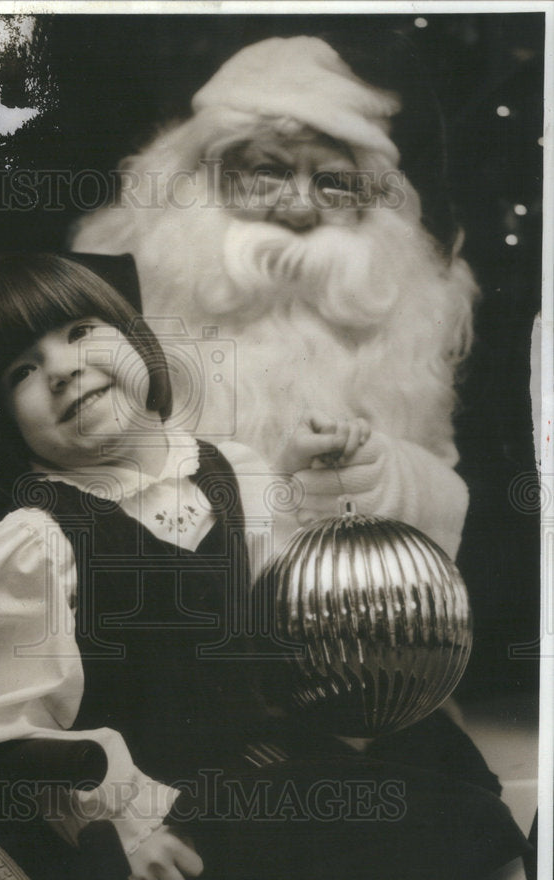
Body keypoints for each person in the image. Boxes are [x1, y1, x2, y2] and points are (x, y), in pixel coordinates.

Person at [0, 250, 534, 880]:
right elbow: (11, 728)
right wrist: (130, 823)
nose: (61, 369)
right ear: (5, 419)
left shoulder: (237, 472)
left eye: (78, 332)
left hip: (282, 762)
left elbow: (294, 620)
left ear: (136, 341)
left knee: (430, 756)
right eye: (21, 372)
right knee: (384, 837)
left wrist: (322, 478)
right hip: (188, 813)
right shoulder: (27, 546)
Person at [72, 34, 477, 560]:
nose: (299, 210)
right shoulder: (123, 297)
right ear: (208, 176)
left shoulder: (411, 310)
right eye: (270, 172)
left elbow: (443, 487)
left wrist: (380, 475)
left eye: (333, 184)